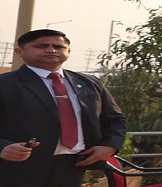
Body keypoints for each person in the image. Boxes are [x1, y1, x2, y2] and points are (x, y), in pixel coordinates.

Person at [0, 29, 128, 187]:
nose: (51, 50)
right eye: (41, 46)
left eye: (58, 46)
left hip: (72, 168)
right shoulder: (5, 84)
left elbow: (115, 119)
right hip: (16, 169)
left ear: (68, 51)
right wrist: (3, 147)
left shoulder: (89, 83)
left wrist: (110, 146)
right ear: (20, 52)